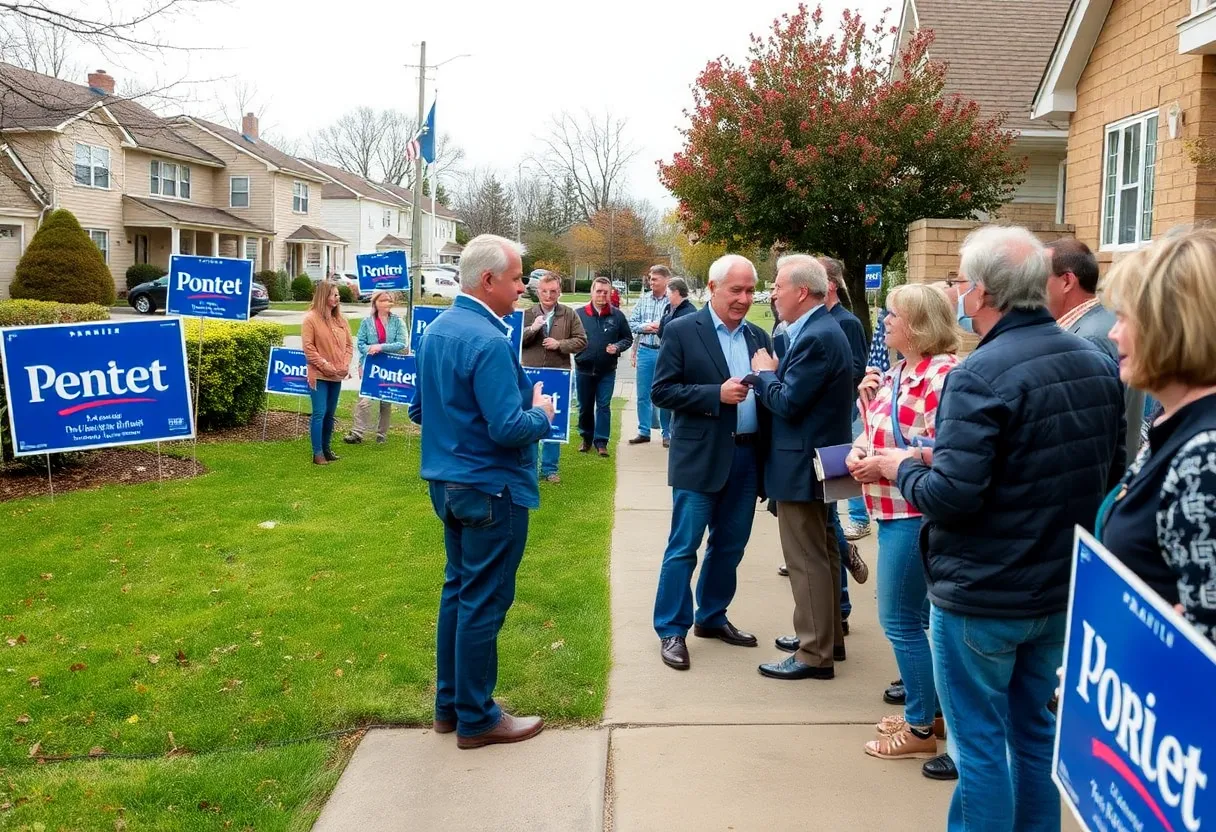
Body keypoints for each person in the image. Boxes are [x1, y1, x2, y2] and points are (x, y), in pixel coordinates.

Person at [874, 225, 1124, 830]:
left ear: (982, 292)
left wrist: (902, 465)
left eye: (960, 280)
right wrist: (938, 455)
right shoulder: (1094, 359)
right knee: (1035, 737)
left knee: (981, 747)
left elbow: (953, 498)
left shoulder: (977, 373)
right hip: (1056, 590)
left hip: (984, 594)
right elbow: (1099, 469)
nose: (956, 290)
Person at [407, 233, 555, 749]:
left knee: (460, 592)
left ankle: (449, 707)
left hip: (447, 487)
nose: (523, 288)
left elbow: (420, 410)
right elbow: (508, 428)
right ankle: (476, 716)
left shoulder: (438, 330)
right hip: (491, 491)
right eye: (517, 278)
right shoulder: (490, 340)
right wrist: (543, 413)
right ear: (488, 280)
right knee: (483, 601)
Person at [846, 284, 959, 760]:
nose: (884, 322)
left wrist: (892, 461)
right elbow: (879, 432)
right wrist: (859, 441)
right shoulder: (896, 370)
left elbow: (952, 449)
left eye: (892, 315)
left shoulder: (944, 376)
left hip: (915, 512)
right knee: (909, 618)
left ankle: (918, 729)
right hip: (890, 509)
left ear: (917, 324)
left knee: (900, 621)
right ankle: (929, 713)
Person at [650, 253, 771, 671]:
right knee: (684, 547)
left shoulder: (760, 337)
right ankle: (671, 629)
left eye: (750, 290)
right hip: (700, 457)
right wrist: (713, 396)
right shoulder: (684, 330)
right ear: (714, 288)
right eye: (736, 289)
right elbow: (662, 391)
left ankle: (712, 616)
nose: (744, 298)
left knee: (730, 545)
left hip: (746, 455)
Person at [1098, 229, 1216, 643]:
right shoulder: (1172, 424)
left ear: (1173, 323)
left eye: (1125, 316)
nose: (1113, 333)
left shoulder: (1206, 457)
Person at [750, 254, 854, 680]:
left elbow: (789, 403)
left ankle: (814, 653)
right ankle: (827, 639)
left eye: (777, 285)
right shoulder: (819, 330)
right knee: (825, 550)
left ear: (803, 292)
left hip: (803, 464)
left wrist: (764, 375)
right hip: (819, 459)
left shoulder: (817, 336)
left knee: (806, 556)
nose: (772, 292)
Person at [1046, 237, 1144, 467]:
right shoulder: (1103, 323)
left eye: (1037, 278)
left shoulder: (1088, 339)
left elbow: (1085, 432)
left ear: (1067, 281)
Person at [819, 257, 871, 627]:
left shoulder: (847, 323)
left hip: (833, 425)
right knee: (819, 517)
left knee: (826, 513)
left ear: (831, 286)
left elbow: (854, 369)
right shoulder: (804, 321)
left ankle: (840, 609)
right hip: (809, 429)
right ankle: (841, 553)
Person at [521, 272, 587, 484]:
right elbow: (515, 341)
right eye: (544, 291)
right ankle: (529, 467)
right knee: (528, 422)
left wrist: (560, 345)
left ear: (559, 292)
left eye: (553, 291)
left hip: (558, 374)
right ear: (537, 291)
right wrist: (533, 329)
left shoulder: (569, 314)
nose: (548, 295)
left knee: (553, 423)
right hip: (530, 375)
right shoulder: (527, 313)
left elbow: (581, 341)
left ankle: (549, 469)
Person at [574, 277, 632, 457]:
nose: (602, 295)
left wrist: (617, 347)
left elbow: (627, 338)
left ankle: (601, 442)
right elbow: (570, 337)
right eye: (598, 291)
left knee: (604, 405)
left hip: (607, 370)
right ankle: (586, 437)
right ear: (592, 292)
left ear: (610, 294)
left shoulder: (617, 316)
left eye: (605, 292)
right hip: (583, 368)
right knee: (584, 406)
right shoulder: (579, 314)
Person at [343, 290, 407, 446]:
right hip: (370, 366)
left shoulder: (398, 321)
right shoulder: (367, 322)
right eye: (384, 300)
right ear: (376, 303)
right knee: (364, 400)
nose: (387, 303)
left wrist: (380, 347)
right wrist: (368, 352)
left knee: (385, 401)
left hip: (389, 366)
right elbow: (361, 343)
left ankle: (381, 434)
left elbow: (401, 343)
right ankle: (357, 432)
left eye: (389, 300)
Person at [301, 279, 353, 466]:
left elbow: (348, 345)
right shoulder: (310, 319)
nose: (337, 298)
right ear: (324, 296)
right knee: (319, 413)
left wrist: (345, 364)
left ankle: (327, 448)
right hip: (319, 375)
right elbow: (309, 349)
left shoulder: (341, 320)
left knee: (330, 413)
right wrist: (327, 366)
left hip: (337, 375)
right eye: (334, 294)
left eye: (338, 295)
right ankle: (317, 453)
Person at [628, 265, 672, 447]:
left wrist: (660, 327)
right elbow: (632, 322)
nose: (651, 282)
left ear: (665, 280)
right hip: (645, 350)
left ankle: (666, 433)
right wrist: (646, 327)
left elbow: (677, 325)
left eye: (655, 279)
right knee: (643, 394)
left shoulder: (672, 302)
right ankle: (643, 431)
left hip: (665, 353)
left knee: (665, 393)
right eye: (650, 279)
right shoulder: (644, 300)